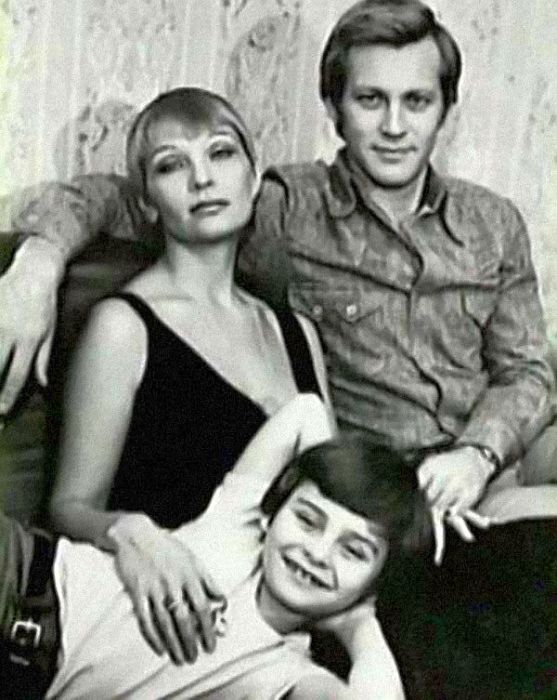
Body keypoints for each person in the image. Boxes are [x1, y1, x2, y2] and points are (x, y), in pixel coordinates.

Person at [1, 1, 556, 550]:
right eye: (370, 100)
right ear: (334, 109)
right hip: (373, 505)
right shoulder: (282, 209)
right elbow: (114, 198)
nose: (394, 127)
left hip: (486, 480)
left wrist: (477, 455)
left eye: (416, 101)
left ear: (445, 110)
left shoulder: (494, 223)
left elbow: (528, 370)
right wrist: (38, 265)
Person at [45, 87, 332, 666]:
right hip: (177, 633)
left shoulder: (297, 331)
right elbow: (69, 507)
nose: (202, 179)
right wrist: (131, 533)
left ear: (254, 178)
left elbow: (336, 490)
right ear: (148, 203)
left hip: (289, 623)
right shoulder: (123, 326)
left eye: (221, 153)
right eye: (171, 165)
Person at [1, 393, 413, 700]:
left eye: (353, 551)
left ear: (375, 584)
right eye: (307, 520)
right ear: (271, 515)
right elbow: (306, 411)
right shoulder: (238, 526)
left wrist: (360, 626)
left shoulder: (286, 672)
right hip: (21, 570)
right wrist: (335, 481)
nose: (317, 553)